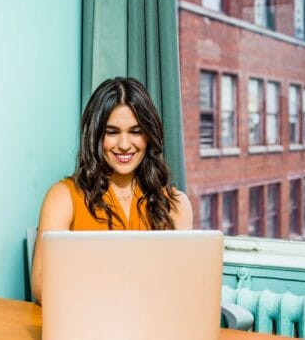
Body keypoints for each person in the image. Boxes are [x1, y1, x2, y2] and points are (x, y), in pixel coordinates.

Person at [30, 77, 193, 304]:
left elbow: (182, 286)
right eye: (112, 132)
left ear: (149, 135)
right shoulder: (63, 197)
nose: (125, 144)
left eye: (136, 131)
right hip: (85, 322)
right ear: (96, 135)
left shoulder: (176, 204)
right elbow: (40, 285)